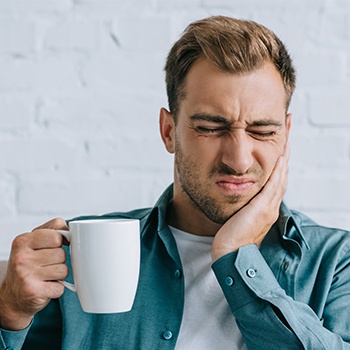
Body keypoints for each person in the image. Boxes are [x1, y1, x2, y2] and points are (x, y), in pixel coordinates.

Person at [0, 15, 349, 350]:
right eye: (211, 128)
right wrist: (10, 314)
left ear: (286, 136)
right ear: (169, 131)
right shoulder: (78, 257)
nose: (238, 159)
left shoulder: (336, 262)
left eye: (262, 131)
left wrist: (236, 254)